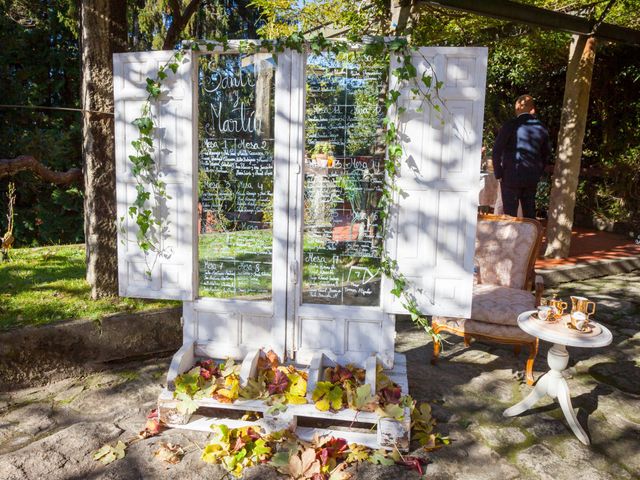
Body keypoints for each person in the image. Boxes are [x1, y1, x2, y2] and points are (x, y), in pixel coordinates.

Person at [492, 94, 551, 219]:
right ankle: (530, 238)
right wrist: (537, 172)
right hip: (531, 178)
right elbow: (546, 154)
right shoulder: (541, 127)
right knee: (529, 215)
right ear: (532, 109)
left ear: (518, 106)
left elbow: (496, 150)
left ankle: (511, 238)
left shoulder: (510, 125)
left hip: (510, 177)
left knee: (510, 217)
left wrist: (499, 174)